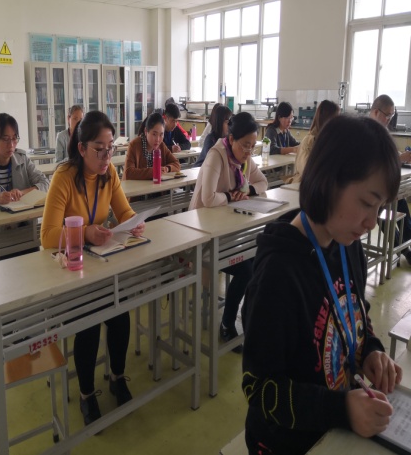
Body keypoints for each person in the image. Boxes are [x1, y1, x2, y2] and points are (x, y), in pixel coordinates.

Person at [242, 115, 402, 455]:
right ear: (328, 182)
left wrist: (370, 350)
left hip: (333, 429)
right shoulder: (278, 273)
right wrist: (341, 409)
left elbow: (354, 311)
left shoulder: (347, 244)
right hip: (284, 443)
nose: (372, 222)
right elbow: (260, 390)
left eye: (379, 208)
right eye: (367, 203)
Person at [41, 110, 145, 426]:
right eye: (99, 149)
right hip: (70, 268)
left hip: (100, 263)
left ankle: (116, 376)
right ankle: (87, 394)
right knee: (88, 323)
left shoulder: (108, 173)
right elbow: (47, 236)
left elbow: (123, 211)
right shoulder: (63, 176)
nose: (106, 156)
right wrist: (84, 232)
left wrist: (134, 222)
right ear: (81, 147)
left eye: (110, 148)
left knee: (120, 315)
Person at [190, 112, 267, 353]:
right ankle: (227, 324)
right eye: (245, 145)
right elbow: (208, 198)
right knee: (246, 269)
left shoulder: (244, 160)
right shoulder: (217, 155)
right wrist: (231, 196)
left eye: (253, 146)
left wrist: (248, 191)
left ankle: (243, 316)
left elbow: (263, 183)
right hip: (202, 234)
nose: (249, 151)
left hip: (226, 232)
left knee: (256, 260)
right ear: (231, 139)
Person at [369, 94, 411, 265]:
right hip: (369, 188)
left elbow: (388, 154)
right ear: (376, 112)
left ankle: (406, 243)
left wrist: (401, 156)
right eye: (387, 115)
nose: (389, 119)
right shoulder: (365, 131)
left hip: (385, 185)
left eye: (392, 115)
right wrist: (399, 158)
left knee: (400, 201)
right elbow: (373, 163)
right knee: (383, 211)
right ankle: (403, 249)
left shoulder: (382, 131)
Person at [291, 100, 340, 182]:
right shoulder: (309, 141)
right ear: (327, 120)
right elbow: (307, 172)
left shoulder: (329, 140)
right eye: (336, 119)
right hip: (305, 184)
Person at [123, 112, 180, 180]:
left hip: (156, 185)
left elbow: (176, 164)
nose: (158, 139)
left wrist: (167, 168)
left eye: (161, 135)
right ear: (146, 131)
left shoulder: (161, 145)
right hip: (138, 186)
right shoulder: (134, 145)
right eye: (154, 134)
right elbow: (128, 173)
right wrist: (153, 171)